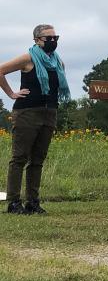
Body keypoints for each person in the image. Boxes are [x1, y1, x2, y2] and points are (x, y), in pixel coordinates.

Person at [0, 24, 70, 215]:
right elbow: (1, 70)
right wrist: (11, 93)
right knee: (19, 158)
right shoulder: (28, 58)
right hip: (27, 112)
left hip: (49, 112)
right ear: (37, 40)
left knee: (38, 159)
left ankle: (33, 201)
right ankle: (14, 202)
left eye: (56, 38)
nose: (53, 41)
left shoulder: (58, 62)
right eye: (49, 38)